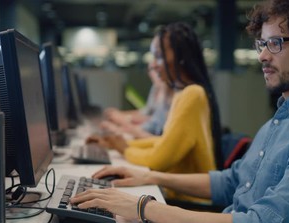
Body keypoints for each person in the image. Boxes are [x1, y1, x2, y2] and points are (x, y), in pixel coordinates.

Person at [72, 1, 289, 223]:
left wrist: (143, 207)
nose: (263, 55)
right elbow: (231, 181)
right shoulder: (282, 120)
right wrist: (151, 178)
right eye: (261, 44)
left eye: (275, 43)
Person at [88, 22, 223, 201]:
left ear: (181, 56)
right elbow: (163, 142)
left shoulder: (193, 94)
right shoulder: (185, 93)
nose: (154, 65)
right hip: (173, 196)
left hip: (187, 202)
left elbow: (160, 159)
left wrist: (125, 149)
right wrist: (114, 144)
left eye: (159, 56)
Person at [100, 60, 173, 139]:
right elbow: (147, 114)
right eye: (151, 70)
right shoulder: (155, 89)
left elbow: (152, 124)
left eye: (156, 69)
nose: (154, 74)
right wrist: (121, 116)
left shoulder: (171, 95)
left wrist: (124, 121)